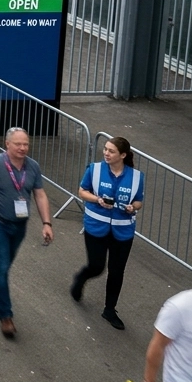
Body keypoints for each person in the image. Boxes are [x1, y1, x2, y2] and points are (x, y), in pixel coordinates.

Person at [0, 128, 53, 339]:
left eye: (26, 144)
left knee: (2, 262)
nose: (23, 148)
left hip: (19, 225)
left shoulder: (33, 167)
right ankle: (6, 316)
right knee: (3, 266)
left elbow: (40, 195)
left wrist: (47, 223)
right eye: (18, 144)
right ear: (7, 144)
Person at [70, 135, 144, 330]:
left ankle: (110, 309)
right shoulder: (94, 169)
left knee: (117, 271)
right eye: (105, 149)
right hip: (96, 226)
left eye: (111, 151)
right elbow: (82, 191)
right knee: (96, 265)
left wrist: (132, 207)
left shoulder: (136, 177)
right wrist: (97, 200)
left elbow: (139, 201)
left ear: (123, 155)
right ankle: (81, 278)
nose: (106, 153)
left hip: (123, 230)